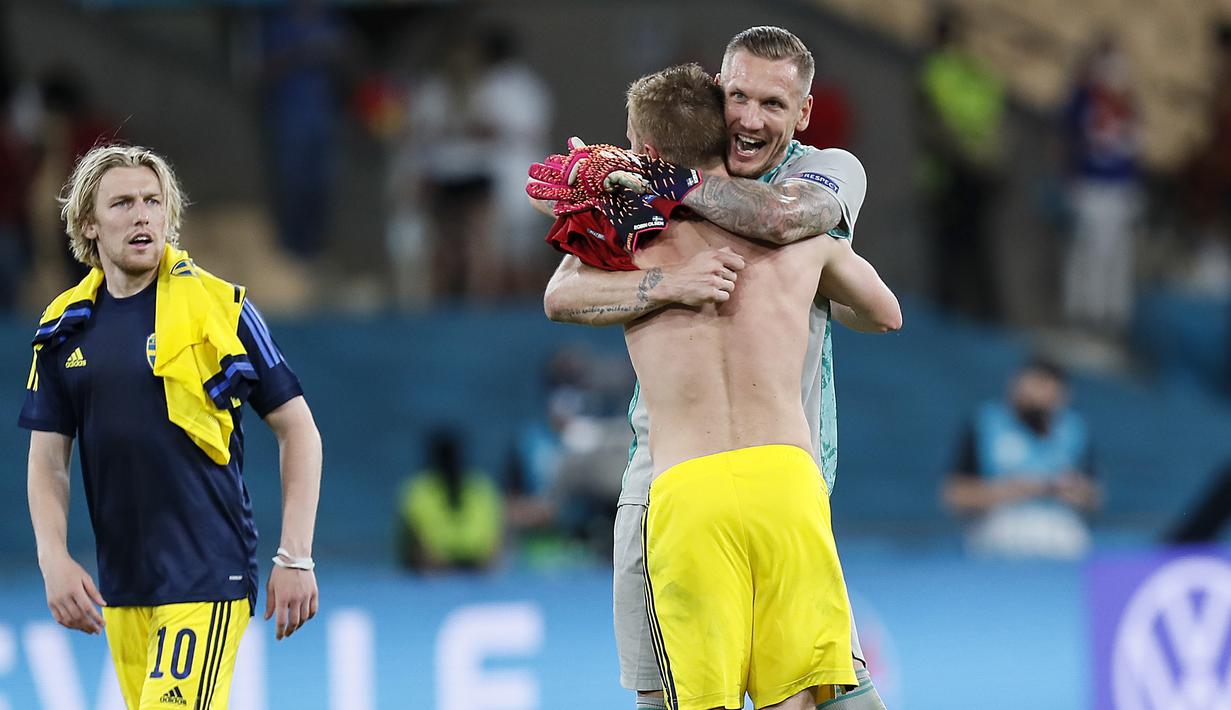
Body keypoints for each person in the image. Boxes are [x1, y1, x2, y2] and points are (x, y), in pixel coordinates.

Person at [536, 27, 897, 710]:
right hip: (737, 482)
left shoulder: (817, 175)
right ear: (715, 96)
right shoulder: (654, 211)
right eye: (737, 97)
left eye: (772, 102)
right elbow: (561, 293)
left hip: (708, 487)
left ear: (803, 114)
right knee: (819, 693)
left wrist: (658, 185)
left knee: (693, 698)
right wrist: (671, 284)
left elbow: (783, 215)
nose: (751, 118)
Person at [20, 145, 322, 710]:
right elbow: (47, 460)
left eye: (153, 202)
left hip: (207, 575)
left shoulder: (220, 307)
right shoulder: (63, 327)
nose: (142, 215)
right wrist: (52, 557)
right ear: (89, 222)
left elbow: (299, 430)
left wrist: (295, 554)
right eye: (123, 203)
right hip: (125, 587)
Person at [942, 359, 1100, 558]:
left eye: (1048, 388)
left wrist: (1073, 491)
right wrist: (1016, 489)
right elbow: (954, 495)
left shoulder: (1074, 429)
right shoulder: (986, 423)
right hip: (1000, 522)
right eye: (1034, 385)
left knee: (1072, 538)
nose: (1039, 396)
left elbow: (1093, 496)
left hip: (1058, 523)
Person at [1062, 36, 1141, 336]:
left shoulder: (1130, 109)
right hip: (1090, 187)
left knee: (1115, 255)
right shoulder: (1086, 102)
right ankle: (1082, 314)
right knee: (1086, 251)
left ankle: (1109, 318)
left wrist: (1134, 191)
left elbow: (1133, 155)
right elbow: (1068, 125)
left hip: (1119, 191)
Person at [397, 428, 502, 571]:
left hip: (440, 566)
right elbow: (494, 541)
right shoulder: (482, 487)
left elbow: (410, 542)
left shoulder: (417, 491)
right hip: (472, 566)